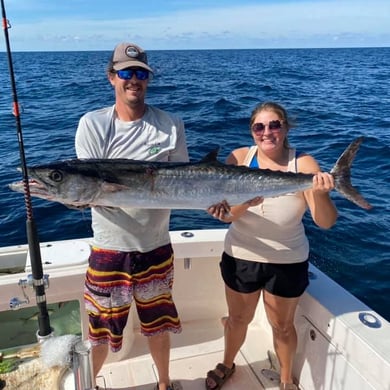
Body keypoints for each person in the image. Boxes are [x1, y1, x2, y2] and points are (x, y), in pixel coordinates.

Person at [75, 42, 189, 390]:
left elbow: (187, 181)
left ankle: (164, 384)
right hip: (110, 249)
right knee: (100, 328)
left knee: (159, 323)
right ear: (112, 77)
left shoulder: (170, 125)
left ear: (147, 79)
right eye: (126, 73)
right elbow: (88, 190)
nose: (133, 80)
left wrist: (220, 202)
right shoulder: (92, 125)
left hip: (156, 246)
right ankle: (89, 383)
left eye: (140, 73)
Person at [205, 101, 338, 390]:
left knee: (283, 326)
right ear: (252, 131)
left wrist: (324, 193)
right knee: (238, 319)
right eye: (259, 127)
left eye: (274, 125)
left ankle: (286, 379)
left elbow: (325, 222)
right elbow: (226, 216)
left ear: (286, 128)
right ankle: (228, 363)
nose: (267, 132)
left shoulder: (303, 164)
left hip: (287, 259)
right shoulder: (239, 158)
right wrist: (246, 203)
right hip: (241, 256)